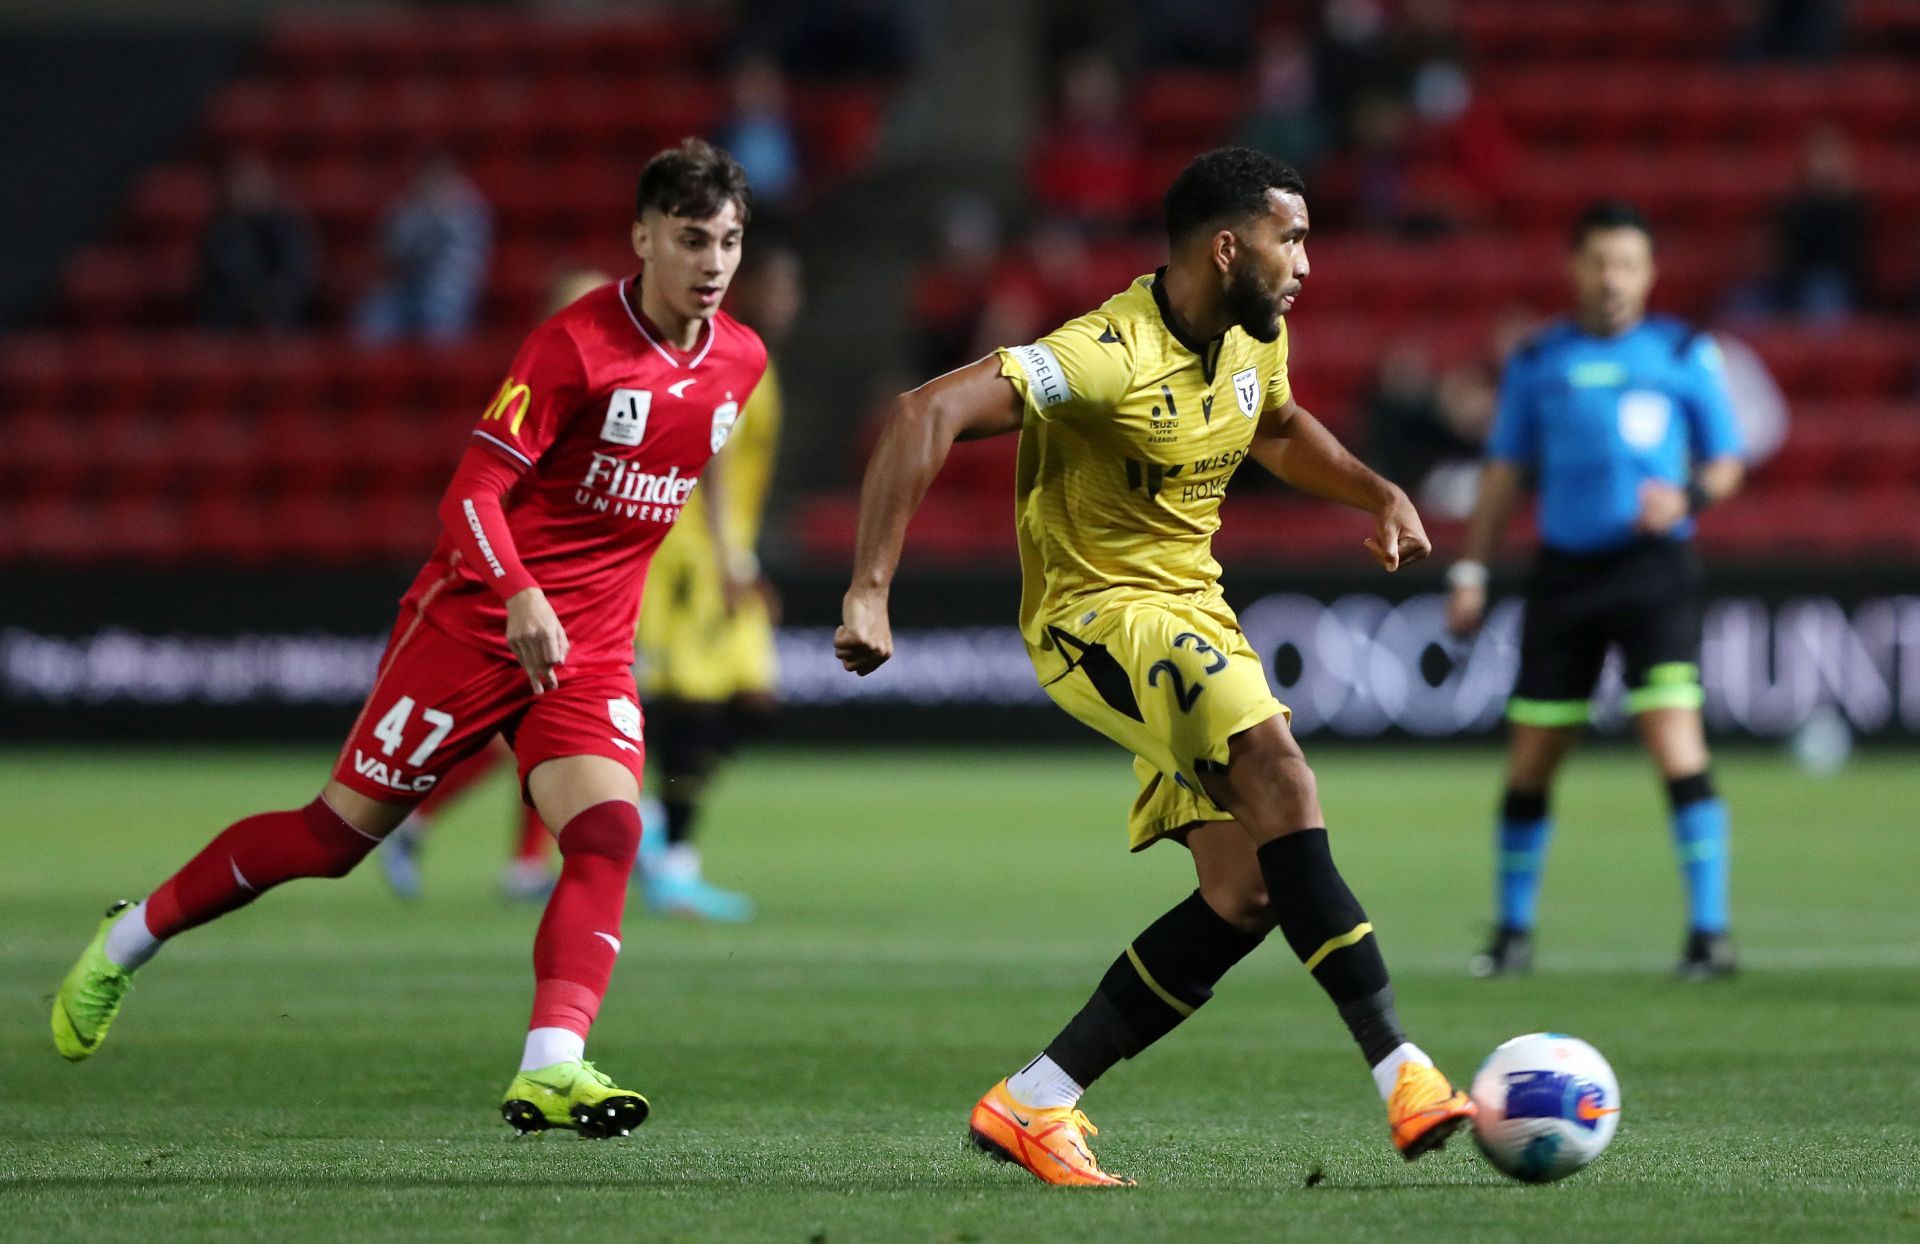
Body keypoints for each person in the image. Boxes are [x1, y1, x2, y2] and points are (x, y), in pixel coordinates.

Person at [51, 139, 769, 1139]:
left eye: (730, 241)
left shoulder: (741, 359)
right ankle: (127, 936)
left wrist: (715, 560)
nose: (714, 262)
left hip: (587, 647)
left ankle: (551, 1063)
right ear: (642, 237)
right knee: (334, 837)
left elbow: (680, 473)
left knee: (608, 833)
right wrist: (518, 589)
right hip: (474, 620)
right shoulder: (572, 347)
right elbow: (470, 490)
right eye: (694, 239)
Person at [834, 147, 1473, 1187]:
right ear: (1229, 247)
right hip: (1099, 615)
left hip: (1191, 610)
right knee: (1284, 775)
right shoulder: (1103, 354)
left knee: (1245, 889)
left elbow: (1272, 427)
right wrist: (870, 586)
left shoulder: (1254, 336)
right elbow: (922, 411)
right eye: (1291, 237)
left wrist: (1373, 489)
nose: (1307, 261)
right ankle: (1403, 1068)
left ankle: (1033, 1100)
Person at [1444, 200, 1745, 981]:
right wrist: (1472, 569)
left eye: (1628, 264)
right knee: (1535, 756)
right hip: (1565, 575)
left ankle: (1709, 934)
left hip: (1654, 573)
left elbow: (1726, 461)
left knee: (1675, 742)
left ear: (1649, 274)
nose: (1613, 278)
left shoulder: (1684, 351)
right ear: (1575, 268)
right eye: (1600, 262)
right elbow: (1505, 473)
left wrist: (1688, 498)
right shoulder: (1539, 359)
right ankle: (1512, 935)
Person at [376, 264, 617, 905]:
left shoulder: (610, 394)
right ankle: (420, 822)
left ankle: (518, 860)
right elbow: (484, 494)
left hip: (579, 592)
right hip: (516, 589)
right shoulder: (538, 393)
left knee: (543, 732)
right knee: (520, 735)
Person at [634, 238, 804, 921]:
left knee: (750, 701)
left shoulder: (755, 359)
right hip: (692, 554)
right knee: (697, 706)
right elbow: (713, 460)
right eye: (780, 288)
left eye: (796, 291)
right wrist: (734, 564)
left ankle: (648, 822)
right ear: (749, 286)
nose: (790, 303)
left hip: (723, 550)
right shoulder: (731, 358)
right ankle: (674, 860)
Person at [354, 153, 493, 343]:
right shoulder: (405, 208)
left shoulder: (470, 210)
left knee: (439, 315)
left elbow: (467, 265)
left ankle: (443, 372)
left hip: (447, 293)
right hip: (404, 289)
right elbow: (391, 253)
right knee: (375, 316)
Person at [197, 152, 318, 331]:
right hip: (229, 326)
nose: (247, 190)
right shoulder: (220, 232)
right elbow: (214, 290)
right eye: (240, 184)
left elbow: (297, 278)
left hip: (282, 325)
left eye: (253, 182)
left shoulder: (287, 229)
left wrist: (269, 303)